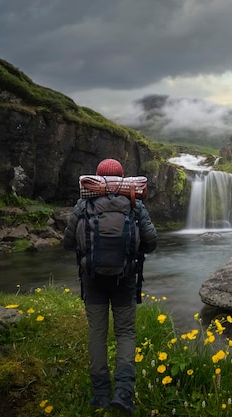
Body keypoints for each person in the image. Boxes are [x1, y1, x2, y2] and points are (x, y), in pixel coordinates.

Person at [63, 158, 157, 414]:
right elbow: (151, 241)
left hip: (92, 278)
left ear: (98, 178)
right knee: (125, 333)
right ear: (122, 178)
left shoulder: (84, 203)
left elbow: (68, 241)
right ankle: (124, 393)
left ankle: (100, 394)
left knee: (97, 333)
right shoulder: (134, 204)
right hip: (125, 278)